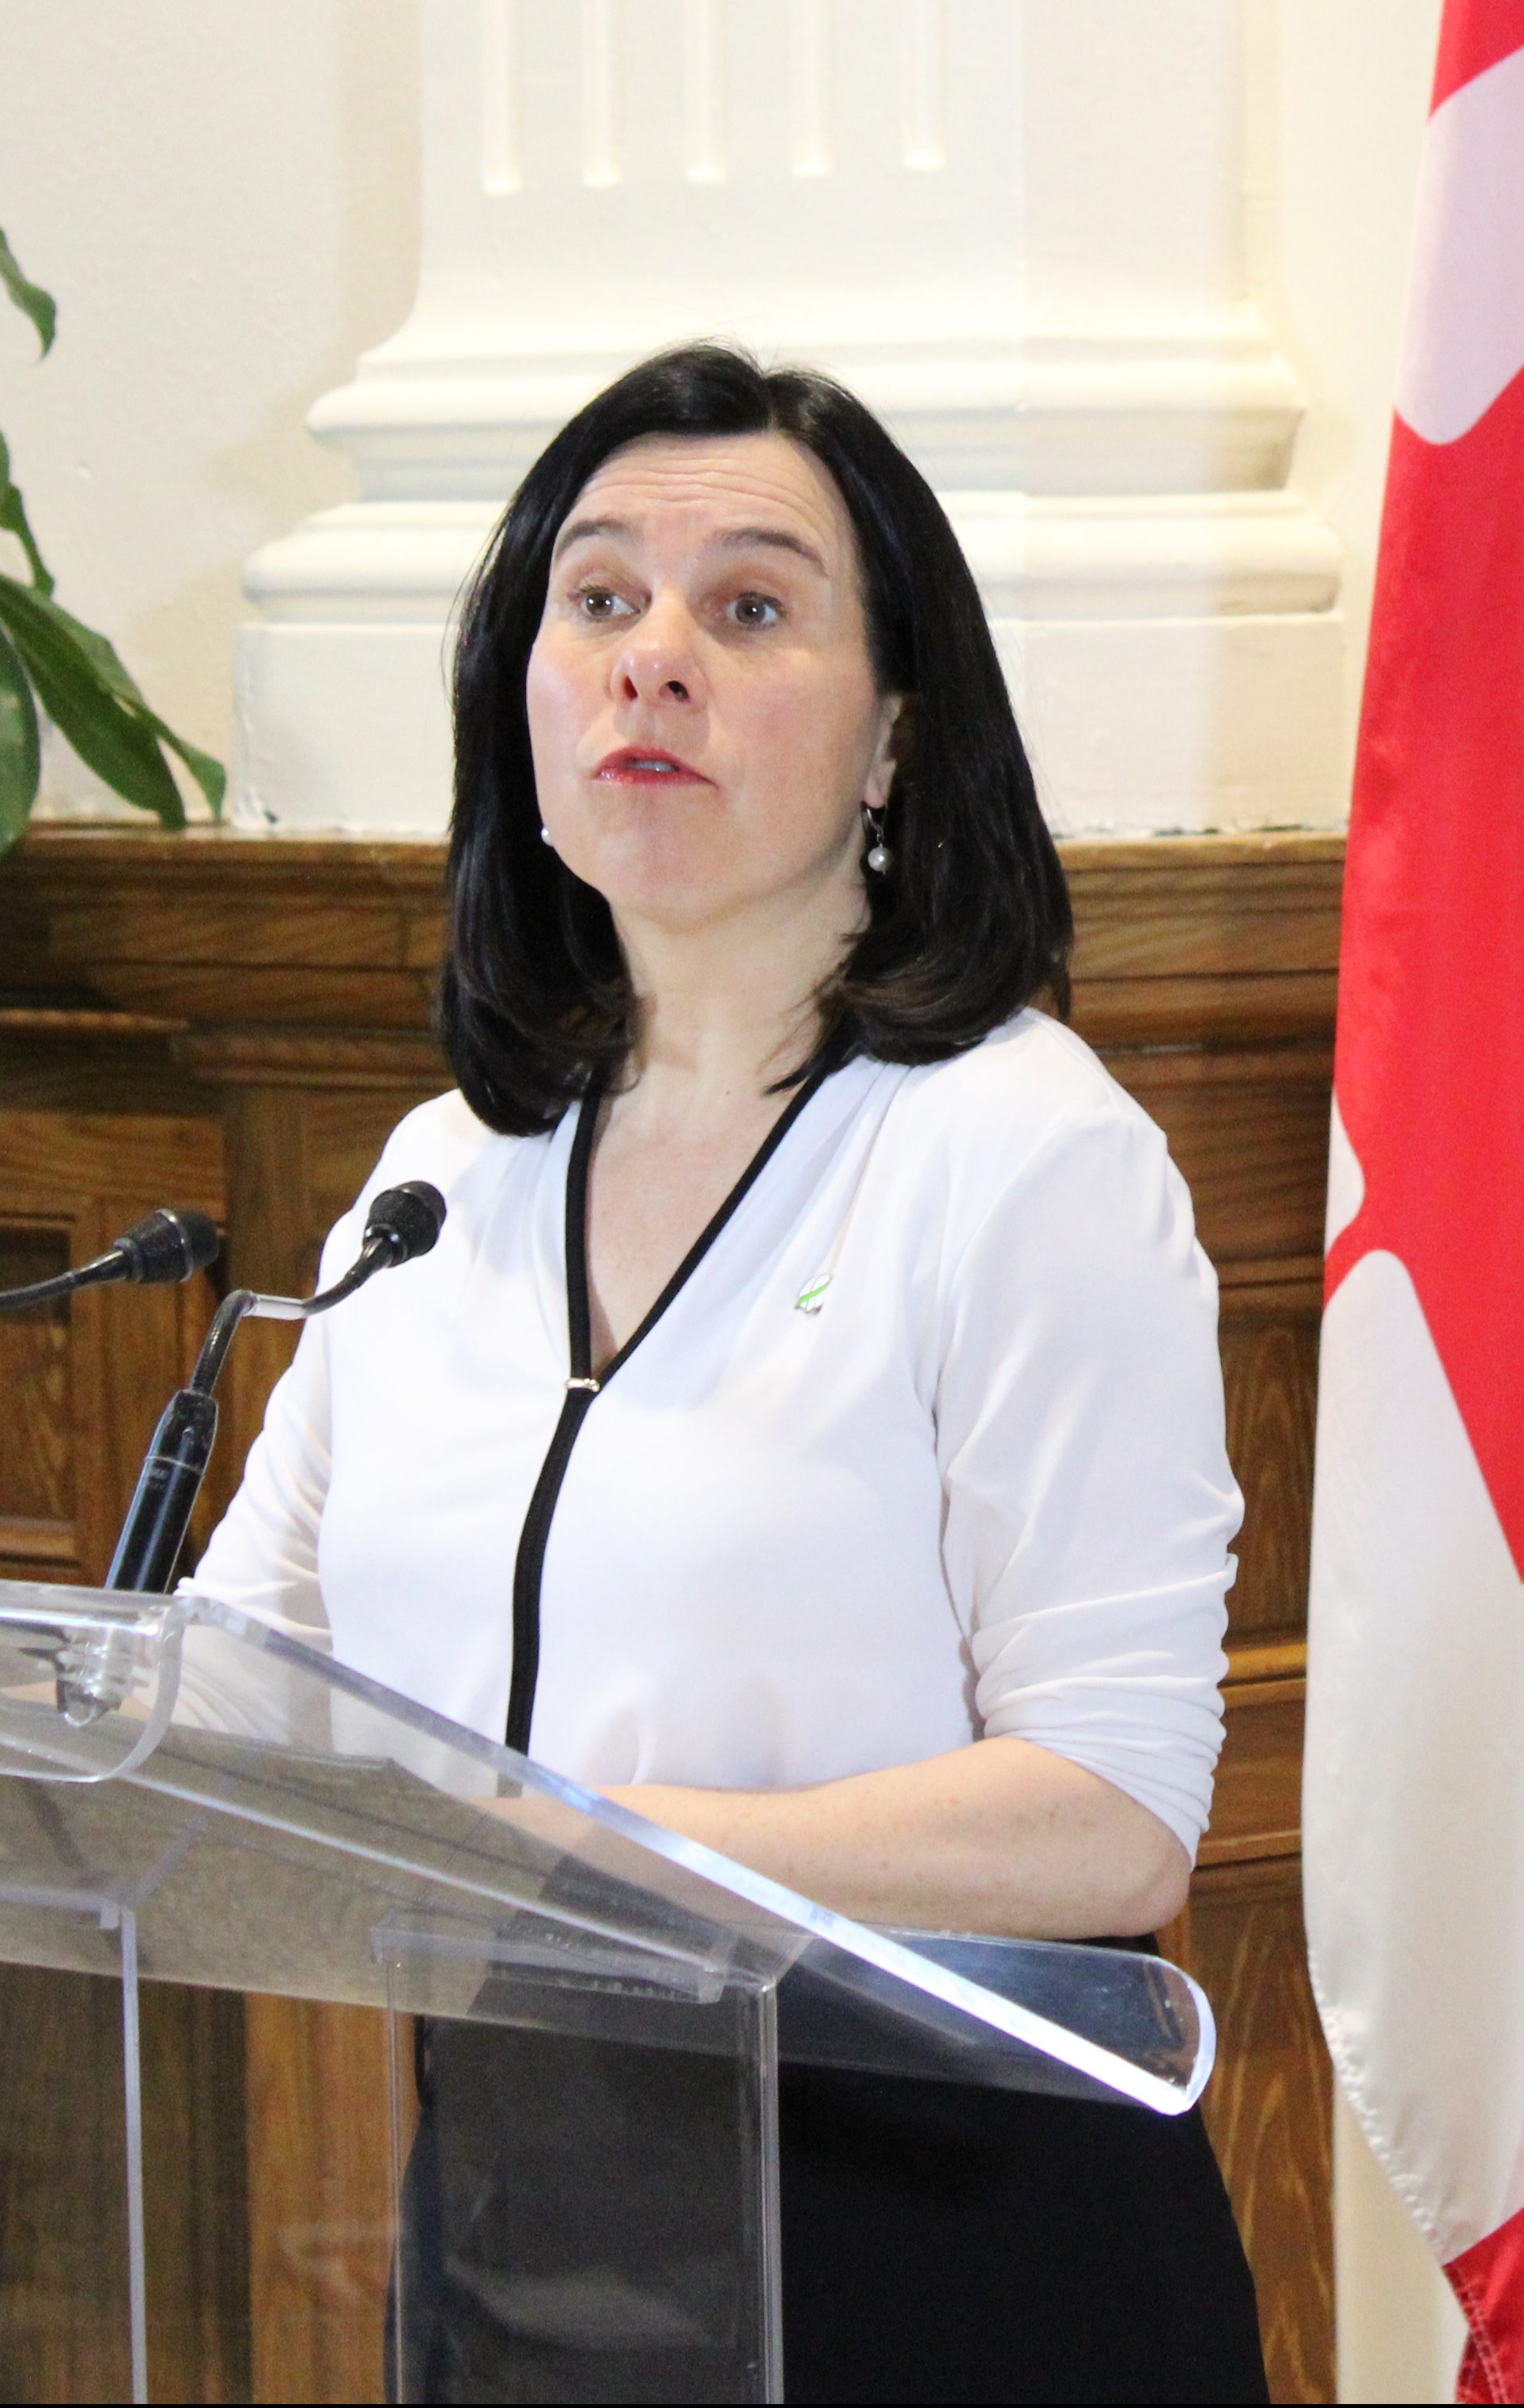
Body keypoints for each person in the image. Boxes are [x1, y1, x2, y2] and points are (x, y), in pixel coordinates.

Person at [187, 342, 1265, 2401]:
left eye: (750, 608)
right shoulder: (443, 1178)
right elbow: (241, 1687)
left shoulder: (1019, 1153)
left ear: (895, 736)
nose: (652, 658)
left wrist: (590, 1836)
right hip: (531, 2216)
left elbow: (1113, 1818)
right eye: (596, 598)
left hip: (945, 2242)